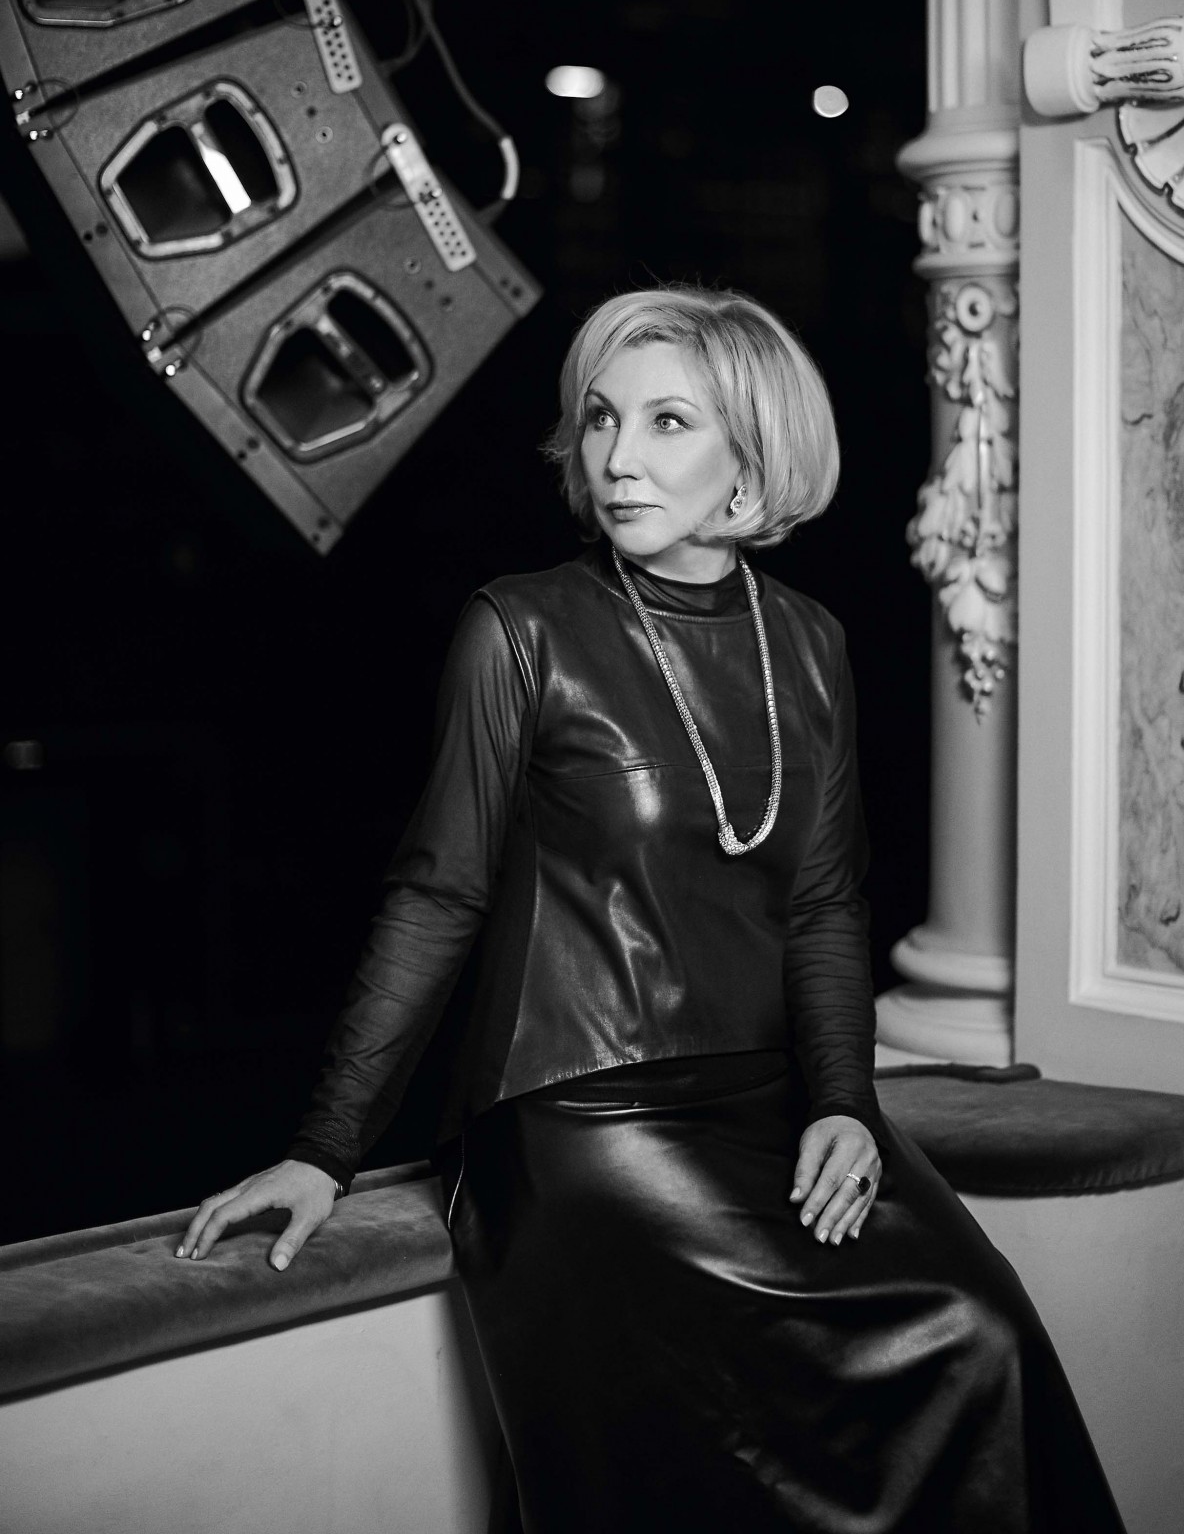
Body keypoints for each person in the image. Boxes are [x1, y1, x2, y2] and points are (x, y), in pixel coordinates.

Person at [179, 284, 1125, 1533]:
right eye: (602, 418)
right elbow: (438, 892)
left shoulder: (812, 644)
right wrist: (323, 1145)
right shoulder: (519, 627)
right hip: (580, 1107)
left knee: (979, 1331)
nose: (618, 456)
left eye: (667, 421)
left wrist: (845, 1103)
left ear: (752, 454)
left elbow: (826, 902)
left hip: (772, 1097)